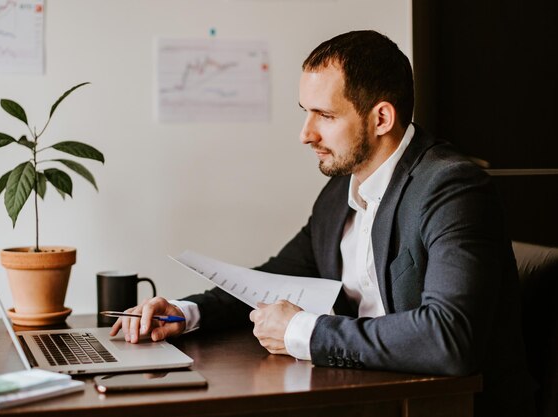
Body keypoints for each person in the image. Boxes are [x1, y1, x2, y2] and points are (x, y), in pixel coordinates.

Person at [111, 30, 535, 416]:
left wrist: (304, 332)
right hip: (363, 391)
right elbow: (277, 277)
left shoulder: (451, 188)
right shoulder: (340, 191)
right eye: (305, 112)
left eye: (325, 116)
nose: (305, 134)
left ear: (381, 118)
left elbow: (449, 338)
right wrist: (188, 312)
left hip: (444, 405)